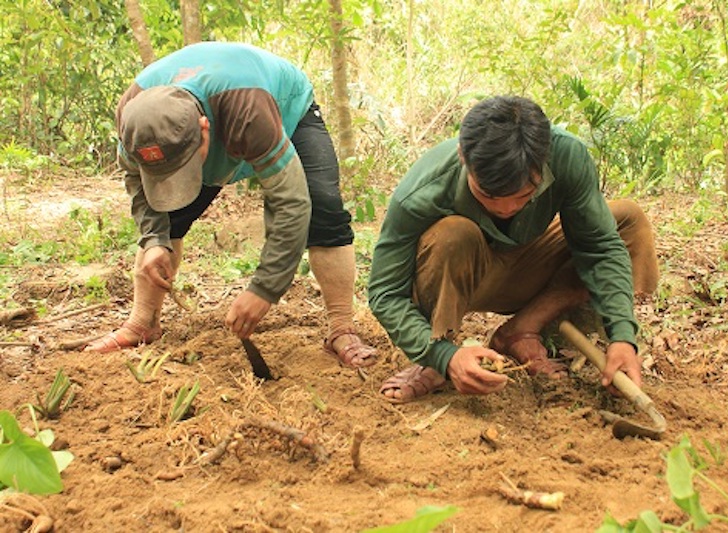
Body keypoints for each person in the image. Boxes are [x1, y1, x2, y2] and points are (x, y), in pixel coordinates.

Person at [85, 42, 376, 368]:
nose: (177, 181)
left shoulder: (249, 113)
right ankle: (143, 322)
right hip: (216, 116)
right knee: (169, 218)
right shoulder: (134, 120)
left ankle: (342, 327)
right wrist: (154, 240)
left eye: (184, 168)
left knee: (324, 208)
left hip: (282, 108)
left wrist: (264, 290)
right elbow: (139, 185)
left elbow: (292, 203)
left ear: (204, 131)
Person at [368, 95, 659, 402]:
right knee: (453, 235)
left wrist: (623, 337)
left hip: (529, 265)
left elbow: (600, 248)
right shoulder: (421, 191)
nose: (506, 208)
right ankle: (436, 359)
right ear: (463, 157)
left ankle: (523, 329)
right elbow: (385, 293)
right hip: (462, 276)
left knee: (627, 222)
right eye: (487, 194)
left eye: (524, 195)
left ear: (544, 161)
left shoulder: (566, 155)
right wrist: (443, 355)